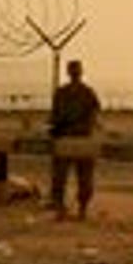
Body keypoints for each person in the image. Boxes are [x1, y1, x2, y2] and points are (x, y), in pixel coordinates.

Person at [48, 59, 102, 220]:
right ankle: (64, 209)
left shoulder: (86, 93)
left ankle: (80, 209)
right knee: (60, 178)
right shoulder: (63, 93)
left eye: (76, 70)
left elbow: (94, 114)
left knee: (83, 178)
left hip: (80, 138)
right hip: (68, 138)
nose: (75, 74)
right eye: (73, 70)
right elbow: (55, 116)